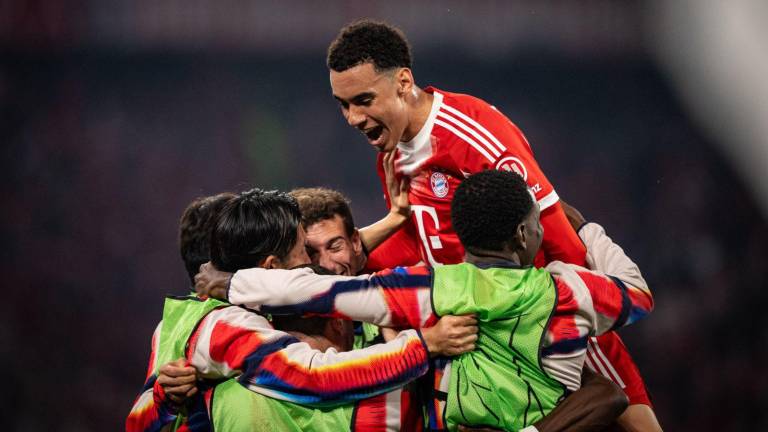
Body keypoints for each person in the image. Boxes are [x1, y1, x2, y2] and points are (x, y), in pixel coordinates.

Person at [325, 19, 660, 430]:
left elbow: (556, 238)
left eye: (363, 99)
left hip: (535, 325)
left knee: (628, 413)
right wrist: (354, 260)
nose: (353, 117)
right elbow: (420, 241)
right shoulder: (390, 155)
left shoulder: (474, 133)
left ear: (403, 82)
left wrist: (568, 318)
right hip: (476, 337)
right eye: (343, 104)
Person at [207, 170, 654, 431]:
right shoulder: (572, 290)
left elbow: (318, 290)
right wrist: (583, 231)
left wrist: (229, 284)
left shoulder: (430, 288)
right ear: (524, 233)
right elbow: (637, 292)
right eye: (540, 224)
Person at [127, 189, 478, 432]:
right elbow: (315, 377)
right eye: (304, 253)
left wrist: (390, 222)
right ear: (269, 269)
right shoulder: (225, 324)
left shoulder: (236, 315)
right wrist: (423, 345)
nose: (315, 265)